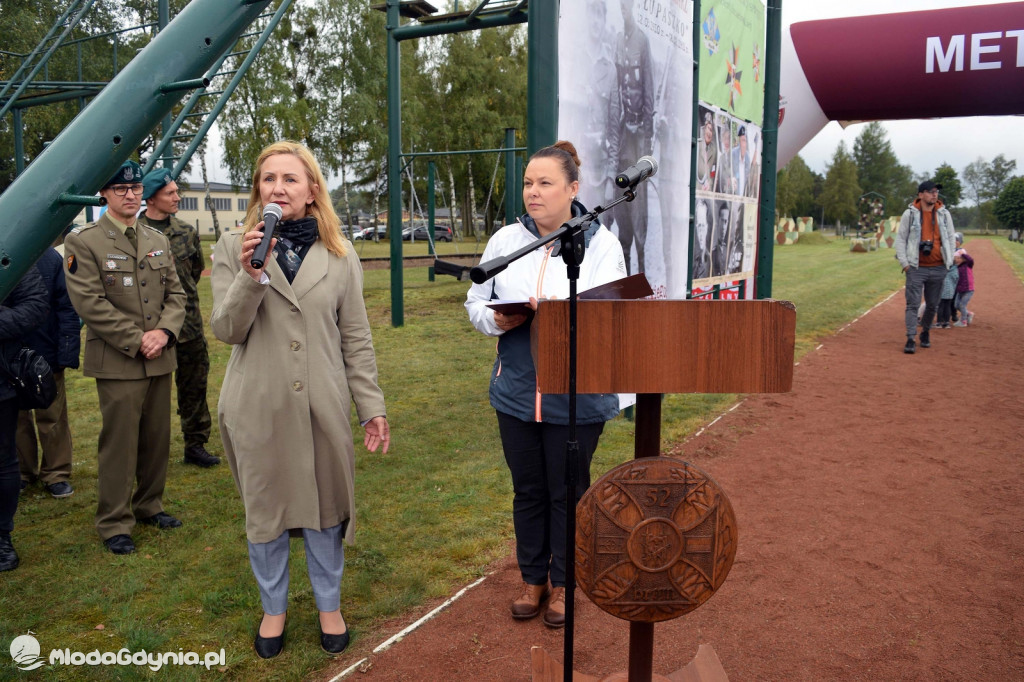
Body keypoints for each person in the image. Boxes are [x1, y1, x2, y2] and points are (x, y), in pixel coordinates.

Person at [210, 140, 390, 659]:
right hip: (257, 405)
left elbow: (355, 337)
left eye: (290, 179)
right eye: (268, 179)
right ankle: (275, 609)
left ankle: (329, 605)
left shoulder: (340, 253)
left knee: (326, 507)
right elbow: (227, 330)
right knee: (266, 511)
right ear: (257, 191)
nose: (278, 188)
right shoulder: (232, 246)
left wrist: (370, 407)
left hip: (322, 403)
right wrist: (252, 276)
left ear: (312, 191)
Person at [465, 141, 626, 629]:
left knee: (568, 492)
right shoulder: (504, 240)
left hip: (577, 396)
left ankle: (563, 584)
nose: (533, 192)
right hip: (514, 394)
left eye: (545, 183)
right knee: (528, 490)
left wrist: (556, 312)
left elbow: (612, 314)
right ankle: (532, 579)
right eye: (528, 183)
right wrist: (501, 322)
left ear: (573, 189)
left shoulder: (601, 243)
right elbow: (475, 301)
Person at [64, 160, 187, 555]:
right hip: (119, 359)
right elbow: (90, 303)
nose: (130, 195)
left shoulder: (157, 238)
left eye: (135, 189)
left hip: (158, 355)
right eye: (121, 189)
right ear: (104, 193)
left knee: (157, 437)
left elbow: (177, 295)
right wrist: (139, 340)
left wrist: (165, 332)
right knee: (119, 442)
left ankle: (150, 504)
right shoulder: (83, 241)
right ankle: (114, 521)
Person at [137, 169, 219, 468]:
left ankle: (195, 445)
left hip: (188, 326)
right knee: (146, 393)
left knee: (194, 386)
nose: (177, 197)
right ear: (152, 198)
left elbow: (194, 273)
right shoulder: (136, 233)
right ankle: (145, 450)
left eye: (176, 191)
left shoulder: (186, 232)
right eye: (170, 193)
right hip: (149, 329)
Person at [16, 247, 80, 498]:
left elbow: (67, 306)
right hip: (8, 354)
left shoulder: (49, 258)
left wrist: (66, 351)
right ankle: (22, 471)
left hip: (45, 353)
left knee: (52, 416)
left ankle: (56, 472)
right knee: (15, 418)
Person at [0, 267, 49, 572]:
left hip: (1, 380)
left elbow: (35, 305)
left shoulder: (9, 250)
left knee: (3, 461)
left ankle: (2, 536)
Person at [608, 0, 654, 275]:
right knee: (620, 195)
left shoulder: (642, 41)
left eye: (627, 6)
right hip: (623, 133)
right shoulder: (616, 41)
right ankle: (624, 262)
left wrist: (647, 139)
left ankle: (642, 262)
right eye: (621, 7)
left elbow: (647, 87)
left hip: (639, 135)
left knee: (640, 201)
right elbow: (616, 90)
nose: (624, 11)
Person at [894, 180, 956, 354]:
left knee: (932, 305)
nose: (934, 194)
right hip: (916, 267)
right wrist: (905, 264)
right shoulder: (910, 214)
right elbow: (901, 239)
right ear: (920, 195)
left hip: (938, 267)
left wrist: (948, 261)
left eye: (936, 191)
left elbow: (951, 238)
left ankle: (926, 332)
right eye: (930, 191)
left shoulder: (944, 214)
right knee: (912, 305)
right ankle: (911, 338)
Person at [952, 247, 975, 327]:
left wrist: (963, 254)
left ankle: (963, 321)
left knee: (962, 305)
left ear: (963, 259)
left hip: (968, 289)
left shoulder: (968, 265)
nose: (957, 260)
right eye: (956, 258)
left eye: (959, 258)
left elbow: (970, 260)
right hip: (960, 290)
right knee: (956, 305)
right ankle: (968, 314)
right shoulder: (957, 267)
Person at [696, 110, 717, 192]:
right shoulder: (697, 146)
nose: (710, 133)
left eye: (712, 130)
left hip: (708, 192)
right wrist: (699, 187)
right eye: (708, 129)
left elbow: (713, 173)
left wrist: (709, 185)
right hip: (697, 191)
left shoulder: (713, 150)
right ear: (704, 129)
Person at [692, 198, 712, 280]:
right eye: (699, 226)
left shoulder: (710, 260)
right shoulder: (693, 259)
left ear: (707, 227)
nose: (700, 232)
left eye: (702, 226)